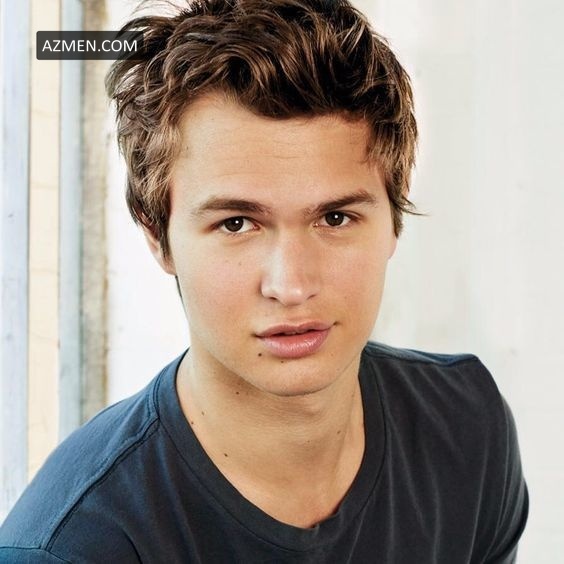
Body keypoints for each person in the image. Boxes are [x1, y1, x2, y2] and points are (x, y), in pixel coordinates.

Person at [0, 0, 528, 561]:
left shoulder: (467, 426)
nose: (291, 285)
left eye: (335, 218)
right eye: (237, 223)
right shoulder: (74, 547)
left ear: (394, 219)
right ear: (158, 236)